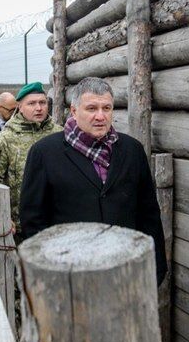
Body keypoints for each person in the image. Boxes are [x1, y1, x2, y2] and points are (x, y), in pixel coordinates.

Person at [18, 76, 167, 285]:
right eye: (91, 108)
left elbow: (148, 213)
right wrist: (52, 273)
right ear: (74, 111)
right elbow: (32, 219)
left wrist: (156, 268)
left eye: (106, 108)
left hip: (125, 271)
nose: (100, 116)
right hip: (71, 276)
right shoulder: (45, 152)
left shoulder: (132, 150)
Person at [0, 82, 62, 236]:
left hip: (57, 222)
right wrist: (2, 216)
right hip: (21, 227)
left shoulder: (60, 135)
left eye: (42, 102)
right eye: (31, 103)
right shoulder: (5, 139)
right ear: (20, 107)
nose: (38, 108)